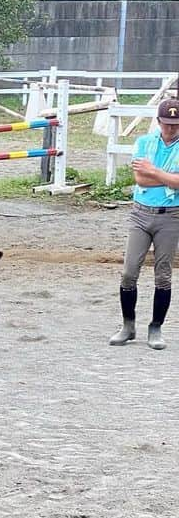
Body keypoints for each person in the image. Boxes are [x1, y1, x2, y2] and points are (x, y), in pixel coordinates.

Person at [110, 95, 179, 350]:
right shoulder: (144, 142)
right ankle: (128, 325)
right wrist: (167, 177)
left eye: (176, 124)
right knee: (129, 271)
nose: (171, 128)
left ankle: (156, 326)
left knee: (163, 274)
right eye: (167, 123)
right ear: (159, 122)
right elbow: (141, 180)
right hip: (141, 212)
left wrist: (154, 171)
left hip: (171, 215)